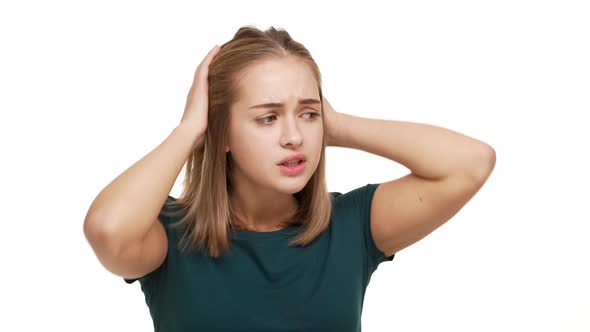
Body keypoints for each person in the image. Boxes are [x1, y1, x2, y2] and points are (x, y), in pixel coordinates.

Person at [84, 26, 495, 332]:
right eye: (268, 117)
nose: (294, 136)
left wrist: (338, 126)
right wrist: (191, 129)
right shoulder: (169, 236)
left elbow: (471, 163)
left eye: (307, 113)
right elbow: (106, 229)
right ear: (222, 131)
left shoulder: (351, 227)